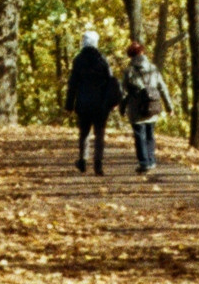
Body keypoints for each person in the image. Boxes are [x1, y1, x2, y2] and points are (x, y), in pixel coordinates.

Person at [66, 26, 121, 174]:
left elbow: (73, 84)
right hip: (101, 104)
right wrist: (113, 101)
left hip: (83, 103)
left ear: (83, 42)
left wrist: (69, 105)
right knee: (99, 133)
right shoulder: (102, 60)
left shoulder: (78, 60)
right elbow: (111, 81)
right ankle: (98, 163)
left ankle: (83, 160)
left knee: (84, 132)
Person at [121, 39, 171, 175]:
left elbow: (124, 92)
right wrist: (169, 106)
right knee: (150, 134)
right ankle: (152, 160)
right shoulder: (153, 69)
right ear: (143, 52)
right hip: (153, 106)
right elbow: (162, 87)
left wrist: (121, 108)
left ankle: (144, 163)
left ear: (130, 55)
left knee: (139, 135)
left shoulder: (129, 71)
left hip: (136, 109)